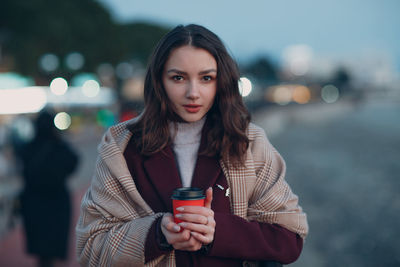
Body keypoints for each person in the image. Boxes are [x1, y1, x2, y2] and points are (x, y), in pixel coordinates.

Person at [76, 24, 308, 266]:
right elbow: (91, 249)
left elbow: (289, 238)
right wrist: (157, 234)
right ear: (158, 80)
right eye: (178, 78)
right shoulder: (121, 148)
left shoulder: (247, 142)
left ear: (221, 82)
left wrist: (218, 231)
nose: (193, 93)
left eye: (206, 78)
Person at [19, 110, 79, 267]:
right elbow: (74, 163)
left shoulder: (28, 148)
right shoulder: (59, 147)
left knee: (40, 247)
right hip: (56, 202)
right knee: (53, 244)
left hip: (33, 202)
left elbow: (23, 171)